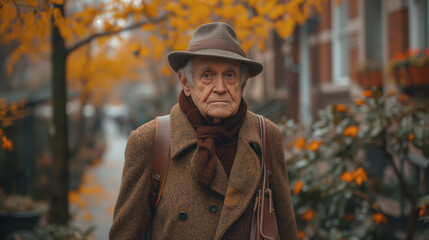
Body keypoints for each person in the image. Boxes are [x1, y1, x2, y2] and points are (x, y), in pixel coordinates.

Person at [109, 22, 298, 240]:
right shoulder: (149, 141)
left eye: (230, 75)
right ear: (185, 82)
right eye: (207, 75)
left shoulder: (267, 136)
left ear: (243, 82)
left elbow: (287, 230)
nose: (220, 87)